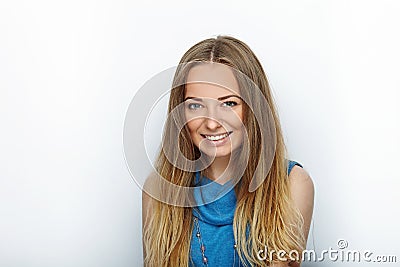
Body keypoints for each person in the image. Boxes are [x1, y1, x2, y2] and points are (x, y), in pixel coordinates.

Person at [142, 35, 314, 267]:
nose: (212, 122)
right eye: (195, 105)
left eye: (229, 103)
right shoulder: (158, 190)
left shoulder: (291, 184)